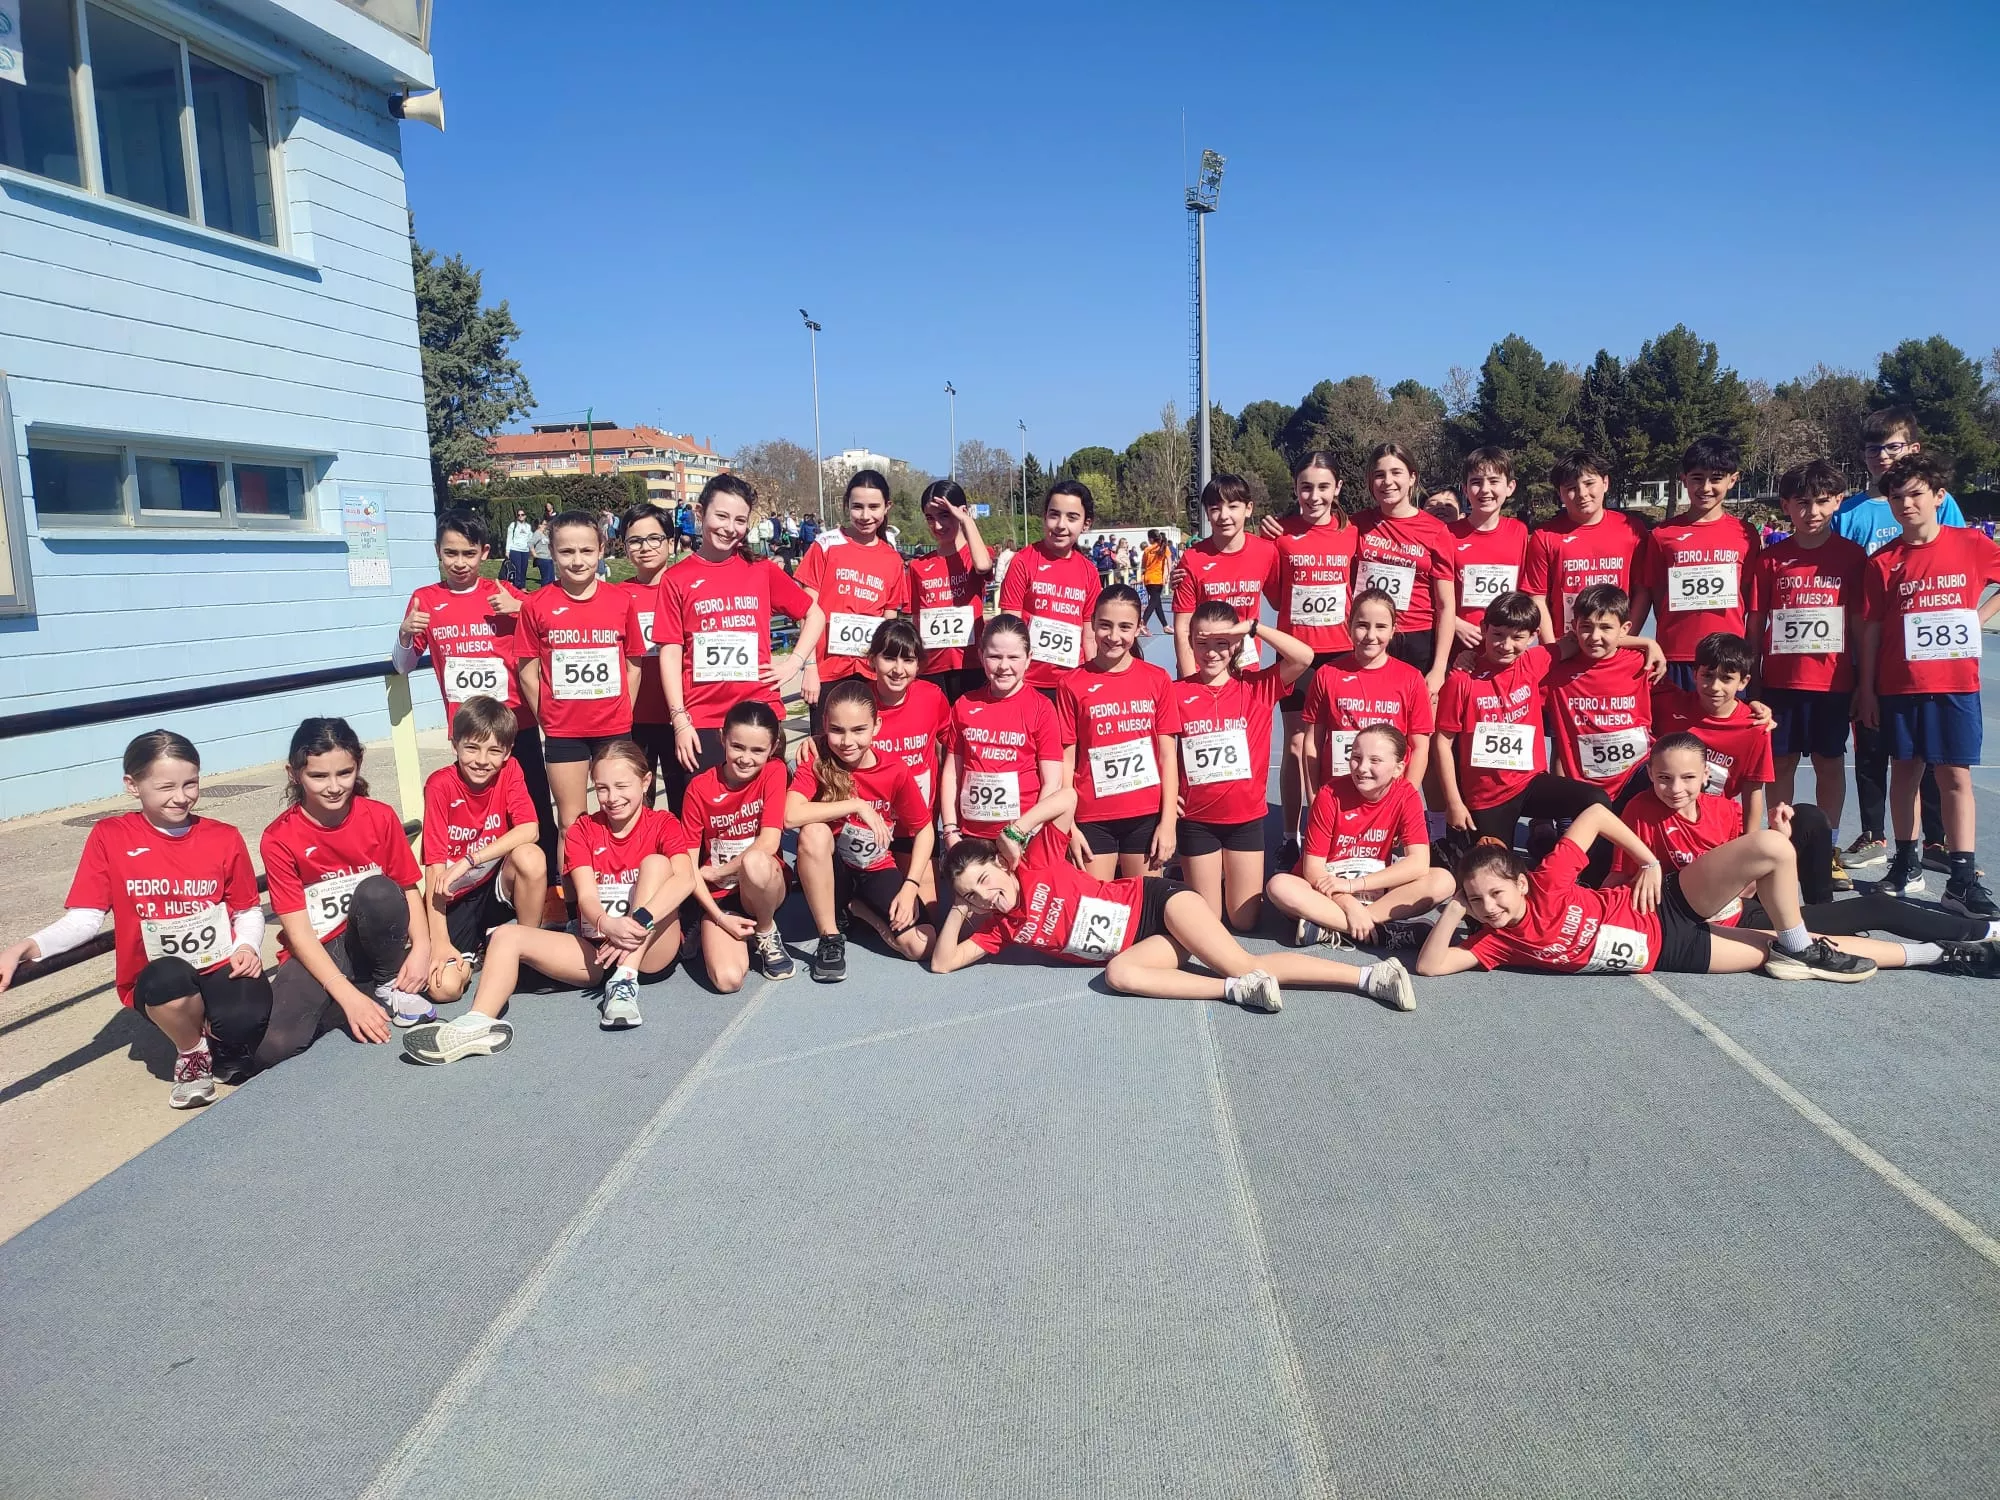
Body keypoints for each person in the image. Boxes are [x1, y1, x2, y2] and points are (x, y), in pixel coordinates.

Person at [929, 789, 1416, 1013]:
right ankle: (1233, 993)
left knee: (1241, 960)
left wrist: (1017, 828)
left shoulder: (1036, 859)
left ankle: (1372, 977)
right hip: (1141, 944)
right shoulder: (999, 928)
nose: (988, 894)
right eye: (976, 894)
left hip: (1157, 901)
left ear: (999, 861)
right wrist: (959, 906)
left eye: (986, 879)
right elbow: (944, 964)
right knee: (1120, 975)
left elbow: (1070, 797)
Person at [0, 730, 269, 1108]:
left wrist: (246, 945)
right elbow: (85, 918)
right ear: (132, 784)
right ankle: (191, 1051)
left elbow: (245, 909)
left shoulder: (223, 837)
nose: (182, 796)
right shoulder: (110, 836)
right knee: (168, 978)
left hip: (219, 962)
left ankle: (218, 1038)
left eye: (191, 783)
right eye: (165, 787)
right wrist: (27, 946)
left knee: (248, 1018)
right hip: (158, 974)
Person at [403, 739, 694, 1061]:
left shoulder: (664, 824)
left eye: (621, 786)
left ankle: (624, 983)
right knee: (505, 935)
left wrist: (635, 925)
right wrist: (607, 923)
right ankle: (477, 1022)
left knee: (657, 864)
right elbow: (585, 898)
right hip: (596, 948)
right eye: (602, 788)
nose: (612, 798)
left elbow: (685, 879)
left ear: (645, 781)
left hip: (650, 950)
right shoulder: (583, 829)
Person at [1610, 735, 2000, 968]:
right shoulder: (1641, 810)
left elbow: (1748, 891)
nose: (1675, 788)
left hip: (1746, 910)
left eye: (1687, 778)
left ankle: (1983, 931)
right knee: (1836, 939)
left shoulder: (1725, 810)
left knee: (1874, 907)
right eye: (1663, 778)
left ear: (1705, 778)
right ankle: (1947, 950)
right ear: (1651, 776)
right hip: (1695, 924)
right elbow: (1620, 877)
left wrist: (1779, 841)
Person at [1416, 804, 1887, 982]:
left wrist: (1649, 860)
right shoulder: (1495, 943)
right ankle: (1926, 953)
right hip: (1671, 951)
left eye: (1496, 893)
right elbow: (1432, 965)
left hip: (1663, 906)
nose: (1490, 907)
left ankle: (1801, 943)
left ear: (1520, 882)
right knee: (1775, 955)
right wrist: (1457, 907)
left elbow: (1597, 814)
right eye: (1478, 902)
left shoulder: (1548, 880)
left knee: (1771, 845)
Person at [1857, 451, 2000, 916]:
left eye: (1916, 495)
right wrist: (1868, 688)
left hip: (1956, 683)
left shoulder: (1972, 544)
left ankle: (1961, 878)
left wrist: (1980, 618)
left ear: (1939, 496)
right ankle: (1906, 864)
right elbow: (1872, 629)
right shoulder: (1883, 562)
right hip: (1900, 684)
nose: (1906, 505)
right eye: (1896, 497)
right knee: (1906, 774)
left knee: (1954, 777)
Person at [1833, 408, 1968, 874]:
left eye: (1893, 446)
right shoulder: (1849, 511)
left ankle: (1935, 840)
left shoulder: (1937, 501)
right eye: (1874, 449)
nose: (1883, 456)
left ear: (1912, 448)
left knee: (1934, 754)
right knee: (1873, 747)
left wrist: (1973, 613)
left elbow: (1961, 557)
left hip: (1932, 655)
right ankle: (1874, 834)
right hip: (1871, 645)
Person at [1435, 590, 1662, 861]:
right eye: (1497, 635)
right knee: (1495, 870)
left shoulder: (1535, 660)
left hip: (1530, 784)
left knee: (1595, 799)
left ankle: (1566, 864)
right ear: (1484, 629)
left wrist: (1648, 643)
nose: (1506, 645)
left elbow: (1583, 638)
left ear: (1532, 637)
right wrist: (1453, 802)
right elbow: (1442, 741)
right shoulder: (1463, 680)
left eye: (1518, 637)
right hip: (1486, 798)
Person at [393, 510, 556, 881]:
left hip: (516, 725)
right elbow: (402, 665)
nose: (459, 563)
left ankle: (549, 890)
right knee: (476, 815)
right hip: (466, 730)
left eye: (468, 553)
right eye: (451, 553)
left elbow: (555, 621)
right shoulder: (425, 600)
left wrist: (523, 608)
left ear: (485, 553)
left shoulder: (502, 593)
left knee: (533, 812)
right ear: (437, 552)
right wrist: (404, 634)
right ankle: (481, 887)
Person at [258, 718, 429, 1064]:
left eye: (344, 773)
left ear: (359, 764)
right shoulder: (278, 838)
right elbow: (299, 934)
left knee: (380, 892)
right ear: (294, 774)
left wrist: (424, 947)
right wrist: (347, 998)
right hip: (319, 946)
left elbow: (408, 886)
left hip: (373, 935)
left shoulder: (379, 817)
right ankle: (349, 992)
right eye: (318, 776)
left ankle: (385, 981)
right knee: (273, 1048)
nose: (334, 787)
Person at [654, 475, 823, 809]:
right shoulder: (676, 579)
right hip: (703, 719)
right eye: (721, 516)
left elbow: (814, 615)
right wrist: (679, 719)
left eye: (740, 520)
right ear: (700, 513)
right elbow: (670, 652)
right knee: (707, 823)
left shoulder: (760, 569)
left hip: (759, 712)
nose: (729, 528)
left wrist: (795, 662)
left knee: (764, 823)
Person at [1747, 459, 1867, 890]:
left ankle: (1827, 847)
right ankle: (1782, 846)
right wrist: (1753, 680)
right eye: (1802, 503)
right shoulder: (1771, 560)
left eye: (1821, 502)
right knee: (1780, 766)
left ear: (1837, 501)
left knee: (1829, 765)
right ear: (1786, 506)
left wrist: (1862, 682)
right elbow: (1756, 622)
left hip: (1833, 684)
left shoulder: (1852, 558)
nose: (1812, 511)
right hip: (1779, 683)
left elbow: (1860, 624)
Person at [1172, 600, 1315, 930]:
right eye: (1202, 643)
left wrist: (1253, 627)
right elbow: (1158, 748)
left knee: (1243, 921)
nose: (1211, 653)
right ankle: (1193, 874)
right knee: (1207, 922)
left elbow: (1304, 657)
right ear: (1191, 642)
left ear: (1235, 645)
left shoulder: (1258, 687)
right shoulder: (1177, 692)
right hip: (1196, 819)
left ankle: (1222, 878)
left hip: (1245, 819)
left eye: (1221, 644)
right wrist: (1165, 799)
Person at [515, 511, 647, 853]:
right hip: (564, 732)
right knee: (571, 824)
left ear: (601, 549)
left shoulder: (620, 601)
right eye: (567, 552)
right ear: (551, 553)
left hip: (614, 728)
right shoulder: (536, 604)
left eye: (586, 551)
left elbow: (633, 663)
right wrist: (547, 717)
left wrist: (624, 712)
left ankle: (632, 892)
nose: (577, 561)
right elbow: (528, 670)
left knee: (625, 816)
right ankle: (572, 904)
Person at [788, 678, 937, 981]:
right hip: (832, 870)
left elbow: (925, 830)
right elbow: (789, 816)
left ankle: (858, 910)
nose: (847, 742)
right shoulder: (817, 761)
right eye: (837, 730)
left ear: (876, 727)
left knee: (922, 944)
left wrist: (910, 887)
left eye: (858, 730)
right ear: (825, 725)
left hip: (874, 867)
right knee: (813, 832)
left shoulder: (894, 770)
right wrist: (855, 806)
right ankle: (830, 937)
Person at [1265, 724, 1454, 952]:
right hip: (1326, 892)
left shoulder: (1406, 795)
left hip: (1373, 889)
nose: (1362, 768)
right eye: (1355, 757)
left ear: (1398, 768)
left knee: (1443, 880)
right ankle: (1381, 931)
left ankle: (1336, 927)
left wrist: (1354, 886)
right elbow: (1313, 870)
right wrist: (1348, 901)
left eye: (1375, 761)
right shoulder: (1329, 795)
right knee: (1279, 886)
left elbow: (1419, 863)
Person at [419, 697, 547, 1007]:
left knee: (530, 857)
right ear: (455, 745)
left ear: (508, 751)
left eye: (494, 751)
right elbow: (435, 868)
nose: (481, 760)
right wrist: (439, 942)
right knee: (443, 989)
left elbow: (530, 829)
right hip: (454, 901)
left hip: (491, 887)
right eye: (472, 748)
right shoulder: (440, 785)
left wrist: (469, 860)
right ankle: (472, 956)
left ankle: (526, 950)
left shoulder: (510, 770)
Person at [1262, 451, 1358, 864]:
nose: (1313, 496)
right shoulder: (1279, 534)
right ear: (1295, 488)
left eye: (1323, 487)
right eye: (1306, 487)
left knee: (1340, 745)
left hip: (1341, 651)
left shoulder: (1353, 532)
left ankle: (1341, 830)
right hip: (1295, 652)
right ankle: (1290, 835)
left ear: (1337, 488)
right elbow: (1270, 590)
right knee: (1298, 747)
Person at [1058, 585, 1180, 881]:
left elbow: (1168, 756)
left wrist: (1167, 824)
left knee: (1143, 912)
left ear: (1139, 628)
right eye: (1105, 625)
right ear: (1093, 623)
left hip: (1145, 815)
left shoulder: (1157, 679)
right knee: (1099, 911)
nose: (1114, 636)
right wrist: (1068, 826)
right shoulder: (1071, 684)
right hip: (1092, 817)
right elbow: (1066, 759)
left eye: (1125, 627)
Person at [1631, 437, 1760, 692]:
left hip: (1729, 657)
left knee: (1723, 732)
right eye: (1698, 478)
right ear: (1684, 479)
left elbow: (1747, 596)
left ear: (1733, 480)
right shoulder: (1662, 535)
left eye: (1716, 478)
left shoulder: (1746, 534)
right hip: (1676, 657)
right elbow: (1655, 594)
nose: (1706, 487)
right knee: (1675, 732)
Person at [682, 700, 795, 990]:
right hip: (721, 899)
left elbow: (769, 841)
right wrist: (720, 918)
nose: (746, 758)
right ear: (722, 738)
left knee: (754, 861)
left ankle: (767, 930)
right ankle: (721, 926)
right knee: (728, 980)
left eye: (758, 750)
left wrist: (718, 873)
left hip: (763, 884)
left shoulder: (774, 772)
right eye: (738, 747)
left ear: (772, 749)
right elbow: (689, 866)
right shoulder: (698, 788)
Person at [941, 614, 1064, 858]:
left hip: (1021, 836)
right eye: (995, 656)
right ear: (981, 657)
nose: (1003, 666)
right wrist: (950, 830)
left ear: (1029, 659)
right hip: (971, 836)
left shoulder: (1042, 708)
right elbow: (952, 773)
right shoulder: (965, 704)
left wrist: (1025, 833)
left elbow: (1053, 782)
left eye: (1013, 657)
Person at [1298, 589, 1432, 799]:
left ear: (1393, 630)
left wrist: (1405, 800)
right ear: (1349, 626)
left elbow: (1420, 747)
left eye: (1380, 627)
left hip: (1389, 799)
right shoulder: (1327, 675)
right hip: (1336, 796)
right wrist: (1314, 797)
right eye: (1362, 625)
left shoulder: (1411, 679)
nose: (1371, 636)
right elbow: (1312, 743)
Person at [796, 469, 909, 710]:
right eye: (857, 507)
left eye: (873, 507)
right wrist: (809, 667)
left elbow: (890, 622)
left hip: (870, 672)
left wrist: (889, 670)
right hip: (827, 671)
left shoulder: (892, 559)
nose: (865, 515)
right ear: (846, 505)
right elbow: (806, 611)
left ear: (887, 507)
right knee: (825, 746)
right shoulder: (825, 545)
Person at [1354, 442, 1457, 694]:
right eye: (1379, 475)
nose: (1387, 481)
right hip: (1370, 634)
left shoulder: (1435, 530)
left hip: (1418, 637)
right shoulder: (1356, 524)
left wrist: (1439, 668)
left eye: (1396, 473)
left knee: (1416, 729)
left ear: (1412, 478)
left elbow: (1445, 604)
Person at [862, 620, 953, 908]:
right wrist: (815, 742)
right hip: (871, 828)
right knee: (897, 914)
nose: (898, 669)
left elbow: (950, 747)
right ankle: (857, 902)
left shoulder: (931, 697)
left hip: (917, 829)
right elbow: (837, 739)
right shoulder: (859, 699)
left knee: (927, 915)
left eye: (908, 660)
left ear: (919, 665)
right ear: (872, 659)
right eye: (889, 657)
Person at [1650, 632, 1775, 835]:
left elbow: (1752, 791)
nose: (1715, 687)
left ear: (1743, 682)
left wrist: (1749, 844)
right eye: (1707, 675)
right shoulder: (1668, 702)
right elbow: (1612, 651)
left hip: (1714, 825)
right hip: (1661, 819)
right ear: (1694, 674)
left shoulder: (1756, 727)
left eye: (1726, 678)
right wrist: (1648, 643)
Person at [1521, 451, 1649, 641]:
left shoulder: (1632, 530)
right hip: (1566, 645)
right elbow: (1538, 599)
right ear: (1560, 493)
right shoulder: (1544, 537)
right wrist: (1553, 651)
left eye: (1589, 483)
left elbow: (1643, 592)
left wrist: (1625, 639)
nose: (1582, 494)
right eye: (1571, 488)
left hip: (1615, 644)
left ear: (1605, 483)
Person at [1545, 584, 1657, 791]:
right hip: (1584, 787)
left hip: (1637, 776)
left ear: (1624, 629)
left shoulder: (1643, 662)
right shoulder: (1556, 670)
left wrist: (1650, 645)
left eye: (1605, 627)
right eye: (1586, 627)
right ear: (1574, 625)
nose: (1595, 636)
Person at [999, 480, 1102, 698]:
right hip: (1029, 682)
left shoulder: (1089, 572)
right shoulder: (1023, 561)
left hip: (1074, 683)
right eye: (1054, 515)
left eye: (1072, 517)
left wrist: (1093, 681)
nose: (1060, 525)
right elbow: (1010, 627)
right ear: (1044, 517)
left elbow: (1090, 637)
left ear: (1086, 523)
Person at [1173, 473, 1280, 677]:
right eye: (1215, 508)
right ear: (1206, 513)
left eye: (1233, 506)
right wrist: (1189, 682)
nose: (1224, 515)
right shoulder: (1192, 559)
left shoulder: (1267, 552)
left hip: (1245, 665)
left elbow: (1278, 601)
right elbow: (1182, 627)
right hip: (1202, 666)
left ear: (1248, 509)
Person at [906, 480, 994, 702]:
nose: (937, 526)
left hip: (971, 662)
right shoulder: (918, 566)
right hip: (932, 667)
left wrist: (965, 520)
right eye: (930, 518)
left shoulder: (975, 556)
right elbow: (916, 619)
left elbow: (983, 566)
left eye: (945, 515)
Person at [615, 503, 678, 802]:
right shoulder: (617, 596)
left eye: (655, 538)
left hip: (681, 717)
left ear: (670, 541)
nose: (645, 547)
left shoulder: (685, 587)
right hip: (634, 720)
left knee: (686, 800)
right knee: (640, 804)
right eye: (635, 541)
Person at [1447, 447, 1529, 649]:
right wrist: (1456, 624)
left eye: (1494, 481)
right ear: (1465, 489)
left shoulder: (1519, 531)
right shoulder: (1447, 534)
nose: (1485, 489)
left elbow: (1526, 591)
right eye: (1476, 482)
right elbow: (1433, 594)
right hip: (1460, 643)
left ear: (1510, 487)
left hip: (1507, 643)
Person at [1140, 529, 1173, 634]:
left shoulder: (1147, 550)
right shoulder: (1164, 548)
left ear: (1150, 539)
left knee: (1157, 603)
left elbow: (1143, 566)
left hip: (1148, 579)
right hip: (1158, 578)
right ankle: (1143, 623)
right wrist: (1168, 575)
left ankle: (1165, 625)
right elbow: (1169, 562)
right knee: (1154, 601)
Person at [504, 509, 534, 588]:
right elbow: (509, 538)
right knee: (517, 569)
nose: (520, 516)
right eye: (519, 515)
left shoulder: (528, 526)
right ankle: (517, 587)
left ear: (525, 516)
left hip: (525, 550)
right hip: (515, 550)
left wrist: (532, 550)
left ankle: (523, 587)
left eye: (522, 514)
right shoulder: (513, 525)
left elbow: (530, 539)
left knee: (524, 569)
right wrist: (507, 551)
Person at [529, 519, 554, 590]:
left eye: (546, 524)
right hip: (542, 558)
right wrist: (534, 554)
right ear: (539, 525)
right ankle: (543, 594)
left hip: (549, 558)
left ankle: (550, 594)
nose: (546, 526)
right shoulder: (537, 533)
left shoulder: (545, 534)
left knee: (551, 579)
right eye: (544, 524)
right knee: (546, 579)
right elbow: (530, 543)